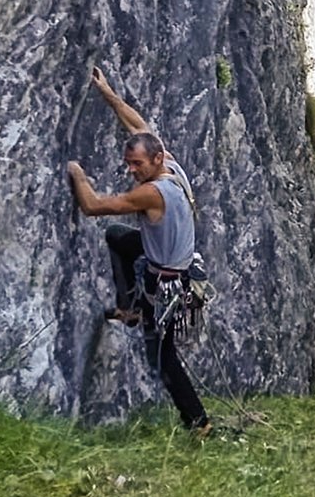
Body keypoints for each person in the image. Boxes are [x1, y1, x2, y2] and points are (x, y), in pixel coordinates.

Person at [67, 66, 211, 434]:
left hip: (163, 283)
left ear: (156, 159)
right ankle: (128, 307)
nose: (131, 170)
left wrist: (77, 175)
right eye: (129, 163)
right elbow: (137, 124)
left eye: (137, 164)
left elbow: (93, 207)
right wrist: (107, 91)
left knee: (161, 358)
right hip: (173, 264)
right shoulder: (171, 167)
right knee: (119, 237)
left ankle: (198, 423)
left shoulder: (150, 192)